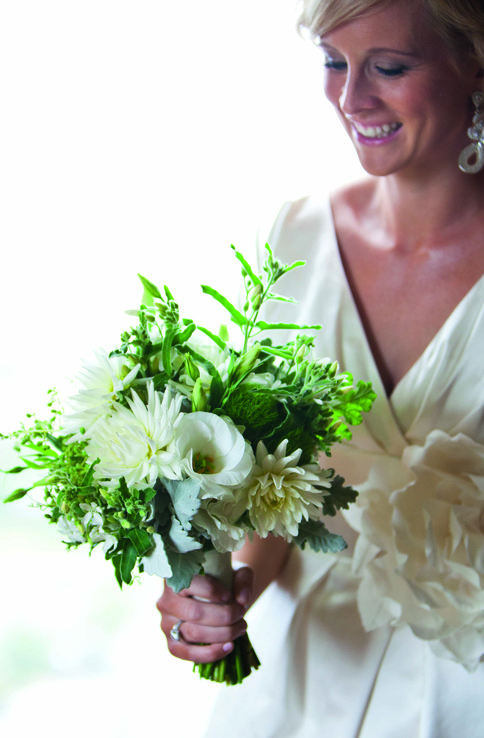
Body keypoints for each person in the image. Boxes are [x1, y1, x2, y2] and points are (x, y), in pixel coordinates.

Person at [156, 0, 484, 735]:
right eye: (334, 63)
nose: (350, 97)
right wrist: (217, 597)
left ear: (476, 64)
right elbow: (279, 502)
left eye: (388, 68)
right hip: (299, 682)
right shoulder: (297, 232)